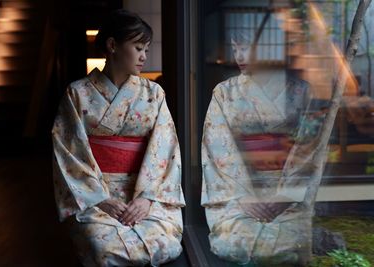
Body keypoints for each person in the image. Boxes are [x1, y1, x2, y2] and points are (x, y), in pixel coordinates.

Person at [51, 9, 185, 267]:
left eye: (146, 49)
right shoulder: (77, 94)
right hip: (96, 196)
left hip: (144, 193)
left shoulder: (153, 94)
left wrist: (146, 198)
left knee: (165, 243)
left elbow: (165, 150)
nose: (144, 56)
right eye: (138, 48)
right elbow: (68, 152)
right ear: (112, 45)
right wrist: (101, 199)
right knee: (104, 250)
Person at [201, 31, 326, 266]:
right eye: (235, 48)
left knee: (294, 242)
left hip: (288, 197)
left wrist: (285, 196)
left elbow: (311, 146)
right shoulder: (224, 93)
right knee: (234, 241)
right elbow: (217, 148)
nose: (239, 55)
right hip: (239, 195)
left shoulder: (302, 91)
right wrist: (243, 197)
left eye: (247, 48)